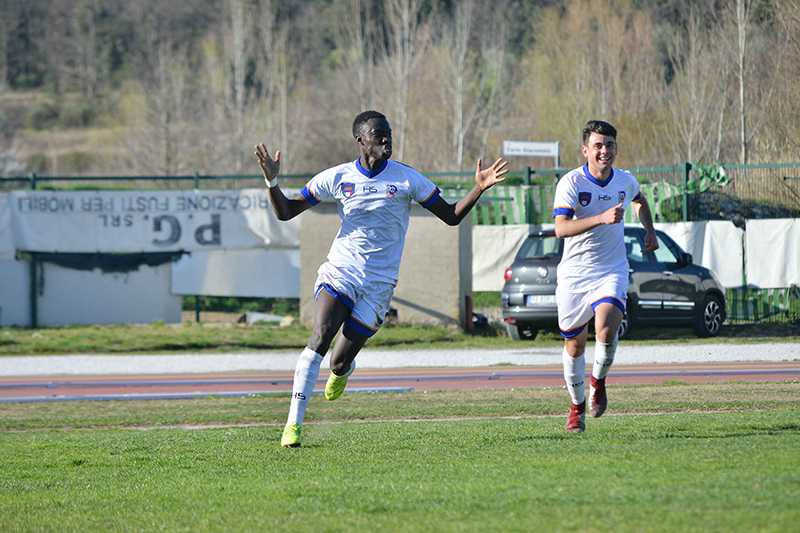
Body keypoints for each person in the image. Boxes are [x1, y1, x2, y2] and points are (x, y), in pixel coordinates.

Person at [255, 110, 509, 447]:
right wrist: (273, 183)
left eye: (388, 133)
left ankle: (342, 371)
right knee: (320, 335)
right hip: (340, 272)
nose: (387, 139)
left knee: (339, 359)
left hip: (378, 284)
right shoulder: (337, 177)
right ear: (361, 140)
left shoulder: (406, 179)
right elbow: (286, 211)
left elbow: (449, 216)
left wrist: (478, 189)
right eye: (379, 134)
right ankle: (293, 426)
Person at [552, 119, 657, 433]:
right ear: (585, 150)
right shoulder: (571, 183)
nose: (604, 151)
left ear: (616, 148)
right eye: (597, 145)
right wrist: (600, 218)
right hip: (574, 275)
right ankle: (576, 406)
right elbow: (561, 229)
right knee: (574, 346)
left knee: (607, 329)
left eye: (609, 145)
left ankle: (598, 381)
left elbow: (640, 200)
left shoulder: (624, 180)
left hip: (610, 269)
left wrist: (649, 230)